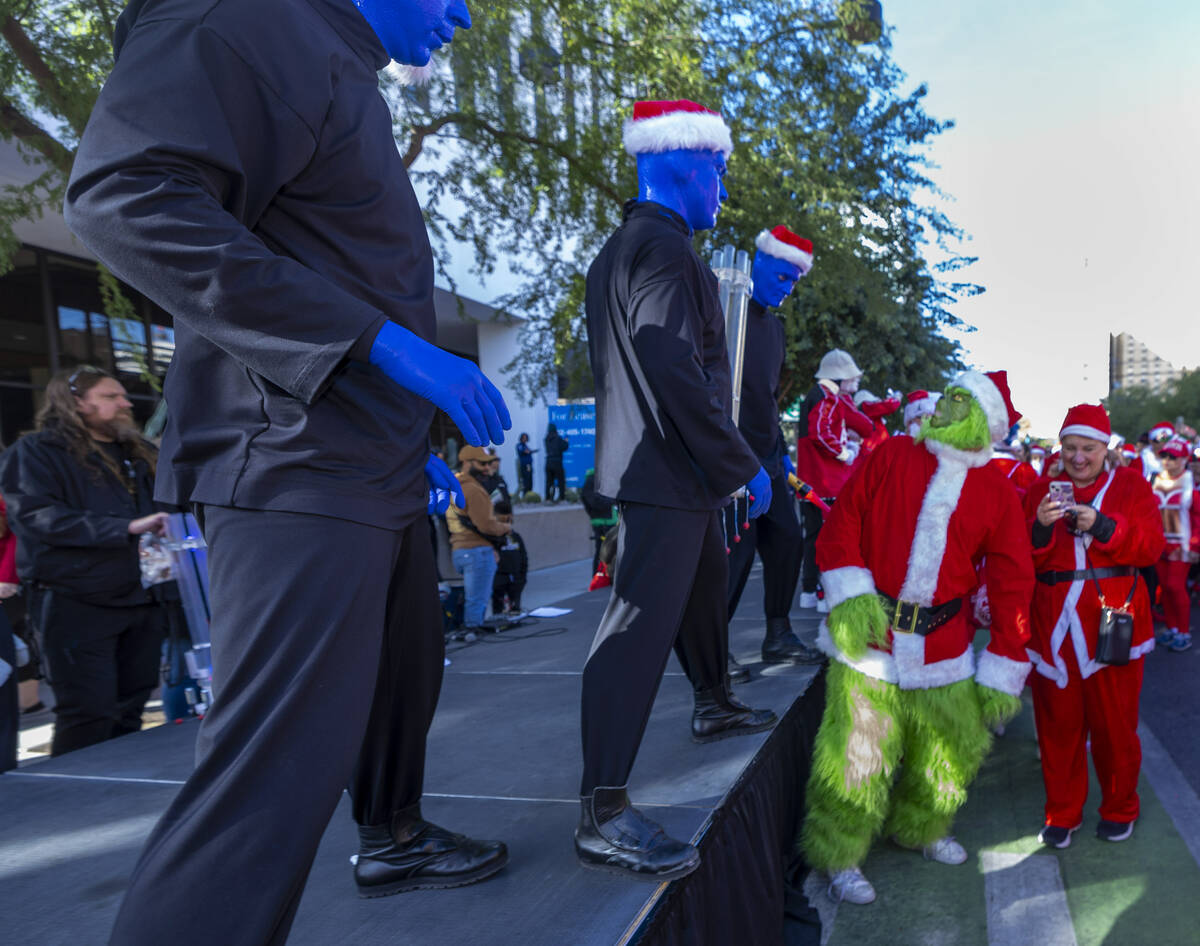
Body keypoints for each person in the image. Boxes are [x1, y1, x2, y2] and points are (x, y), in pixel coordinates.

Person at [63, 0, 511, 941]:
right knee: (271, 780)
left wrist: (410, 443)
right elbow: (122, 195)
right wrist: (385, 346)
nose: (465, 13)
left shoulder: (337, 59)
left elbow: (325, 256)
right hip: (293, 466)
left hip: (366, 464)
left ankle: (392, 835)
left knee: (405, 676)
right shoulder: (247, 16)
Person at [579, 99, 777, 881]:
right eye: (720, 170)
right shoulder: (664, 251)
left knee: (703, 590)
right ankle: (602, 810)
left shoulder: (628, 247)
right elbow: (674, 371)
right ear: (685, 164)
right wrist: (743, 467)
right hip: (665, 475)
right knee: (632, 637)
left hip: (666, 474)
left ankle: (714, 699)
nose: (725, 187)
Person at [801, 369, 1034, 905]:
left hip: (946, 648)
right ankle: (841, 855)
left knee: (948, 753)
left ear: (983, 422)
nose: (945, 407)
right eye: (946, 396)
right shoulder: (891, 456)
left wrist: (1005, 658)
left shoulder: (997, 491)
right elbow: (843, 525)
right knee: (855, 756)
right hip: (873, 643)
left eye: (961, 401)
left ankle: (922, 828)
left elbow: (1012, 580)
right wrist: (852, 596)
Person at [0, 368, 169, 757]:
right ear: (76, 401)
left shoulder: (136, 452)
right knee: (89, 713)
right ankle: (73, 807)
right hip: (74, 601)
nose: (125, 403)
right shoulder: (36, 452)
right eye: (111, 396)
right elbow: (39, 517)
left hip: (142, 598)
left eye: (123, 396)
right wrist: (124, 527)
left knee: (132, 706)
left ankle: (124, 796)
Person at [1025, 404, 1164, 847]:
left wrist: (1105, 526)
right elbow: (1019, 556)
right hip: (1056, 627)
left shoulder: (1131, 486)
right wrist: (1041, 530)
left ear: (1105, 449)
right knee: (1057, 727)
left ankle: (1120, 806)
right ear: (1059, 448)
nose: (1078, 457)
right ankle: (1062, 812)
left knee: (1115, 726)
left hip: (1115, 619)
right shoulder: (1039, 492)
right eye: (1070, 447)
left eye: (1088, 448)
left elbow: (1150, 548)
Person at [725, 226, 823, 674]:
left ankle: (778, 634)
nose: (787, 290)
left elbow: (766, 400)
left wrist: (781, 456)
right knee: (736, 554)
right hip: (729, 455)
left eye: (794, 283)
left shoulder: (775, 330)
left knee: (787, 539)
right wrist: (741, 461)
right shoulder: (726, 313)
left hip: (767, 456)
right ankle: (712, 650)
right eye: (782, 278)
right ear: (759, 262)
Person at [793, 350, 875, 610]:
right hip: (825, 481)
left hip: (814, 480)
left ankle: (811, 589)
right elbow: (820, 432)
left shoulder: (818, 395)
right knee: (826, 538)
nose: (855, 381)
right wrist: (844, 452)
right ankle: (820, 592)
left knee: (813, 537)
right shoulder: (826, 397)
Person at [447, 445, 513, 632]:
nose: (486, 468)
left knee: (472, 599)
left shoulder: (454, 484)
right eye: (481, 463)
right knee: (477, 603)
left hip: (460, 550)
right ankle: (473, 637)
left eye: (487, 463)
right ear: (467, 463)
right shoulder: (473, 490)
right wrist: (506, 527)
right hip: (476, 552)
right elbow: (486, 525)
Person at [1151, 438, 1197, 651]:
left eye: (1173, 457)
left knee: (1175, 587)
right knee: (1165, 590)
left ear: (1185, 460)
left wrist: (1195, 547)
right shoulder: (1156, 480)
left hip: (1182, 545)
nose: (1168, 461)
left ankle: (1184, 632)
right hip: (1160, 544)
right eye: (1165, 456)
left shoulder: (1190, 486)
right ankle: (1172, 629)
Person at [544, 423, 569, 501]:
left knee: (549, 482)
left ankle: (547, 498)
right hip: (557, 462)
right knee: (561, 480)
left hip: (548, 462)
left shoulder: (546, 439)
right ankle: (562, 497)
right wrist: (566, 441)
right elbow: (564, 447)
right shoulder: (558, 438)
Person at [516, 432, 536, 496]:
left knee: (530, 480)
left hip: (529, 465)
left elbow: (528, 451)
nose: (525, 439)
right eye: (523, 438)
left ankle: (529, 494)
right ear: (521, 438)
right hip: (524, 465)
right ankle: (525, 495)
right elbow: (524, 451)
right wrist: (528, 451)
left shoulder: (526, 446)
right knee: (525, 481)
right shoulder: (519, 445)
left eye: (526, 438)